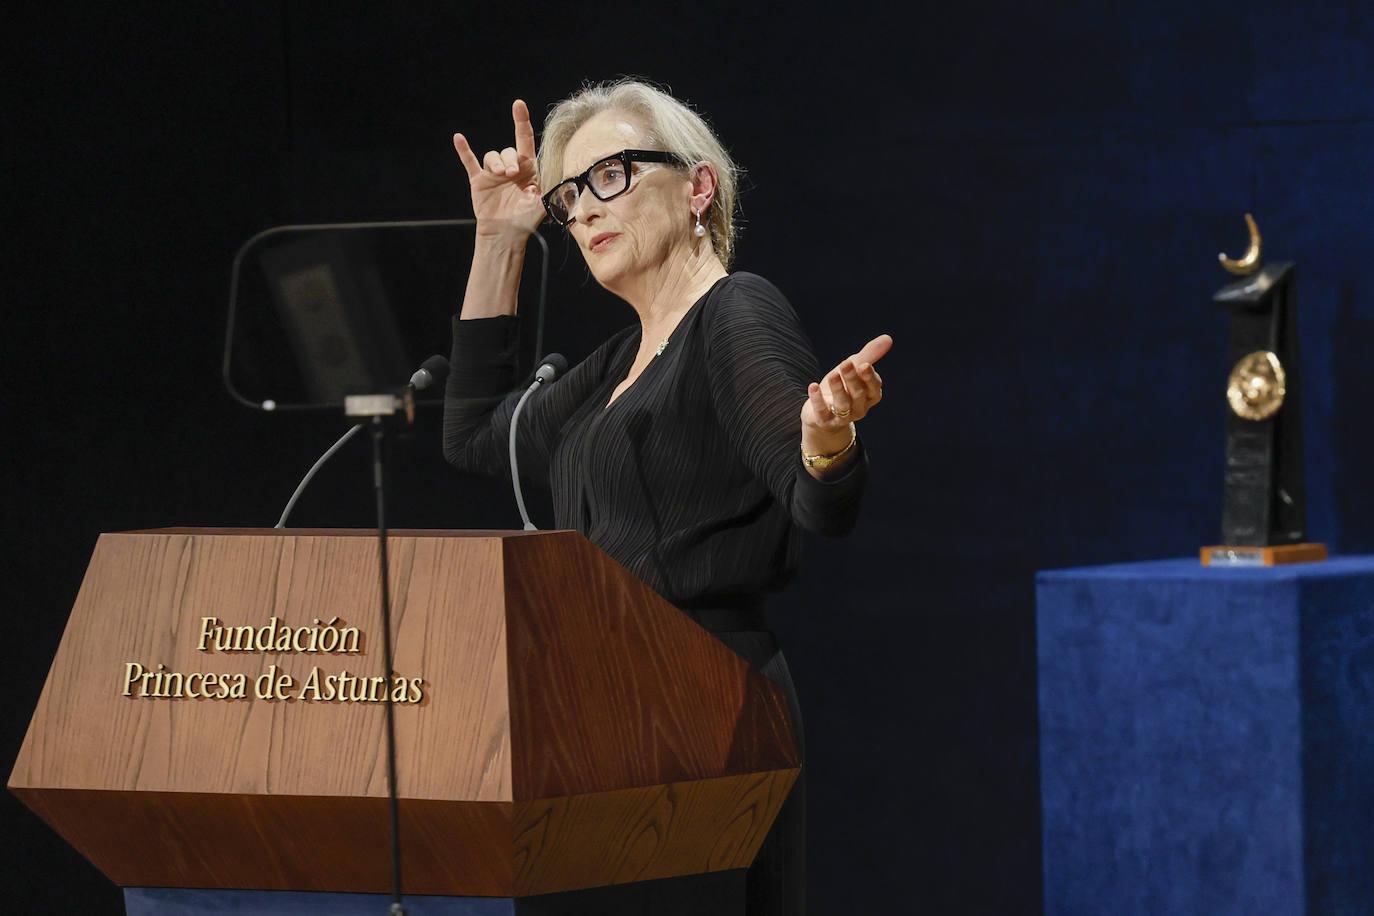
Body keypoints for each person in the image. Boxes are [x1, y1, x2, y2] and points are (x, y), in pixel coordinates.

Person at [443, 79, 892, 916]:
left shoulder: (734, 314)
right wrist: (500, 242)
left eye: (610, 175)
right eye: (568, 196)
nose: (583, 209)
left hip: (696, 712)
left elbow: (819, 503)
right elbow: (473, 436)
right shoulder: (618, 363)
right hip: (591, 724)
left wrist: (827, 440)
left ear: (698, 187)